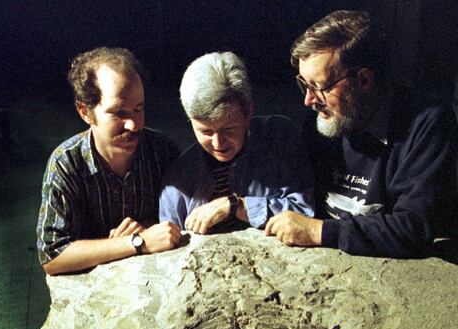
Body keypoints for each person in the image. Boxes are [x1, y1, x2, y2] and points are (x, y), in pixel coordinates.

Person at [265, 10, 458, 258]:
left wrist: (321, 232)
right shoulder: (320, 124)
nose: (308, 100)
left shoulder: (429, 123)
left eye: (319, 86)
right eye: (304, 84)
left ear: (363, 81)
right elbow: (295, 194)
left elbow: (414, 228)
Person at [37, 47, 182, 275]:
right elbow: (52, 256)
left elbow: (185, 221)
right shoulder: (66, 162)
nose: (133, 125)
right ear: (85, 112)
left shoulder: (162, 151)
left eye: (138, 109)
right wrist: (135, 242)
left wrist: (150, 226)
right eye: (119, 113)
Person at [159, 52, 314, 235]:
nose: (217, 143)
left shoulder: (278, 137)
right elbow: (168, 238)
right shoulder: (179, 177)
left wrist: (237, 206)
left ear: (248, 111)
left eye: (228, 129)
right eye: (205, 132)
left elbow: (306, 212)